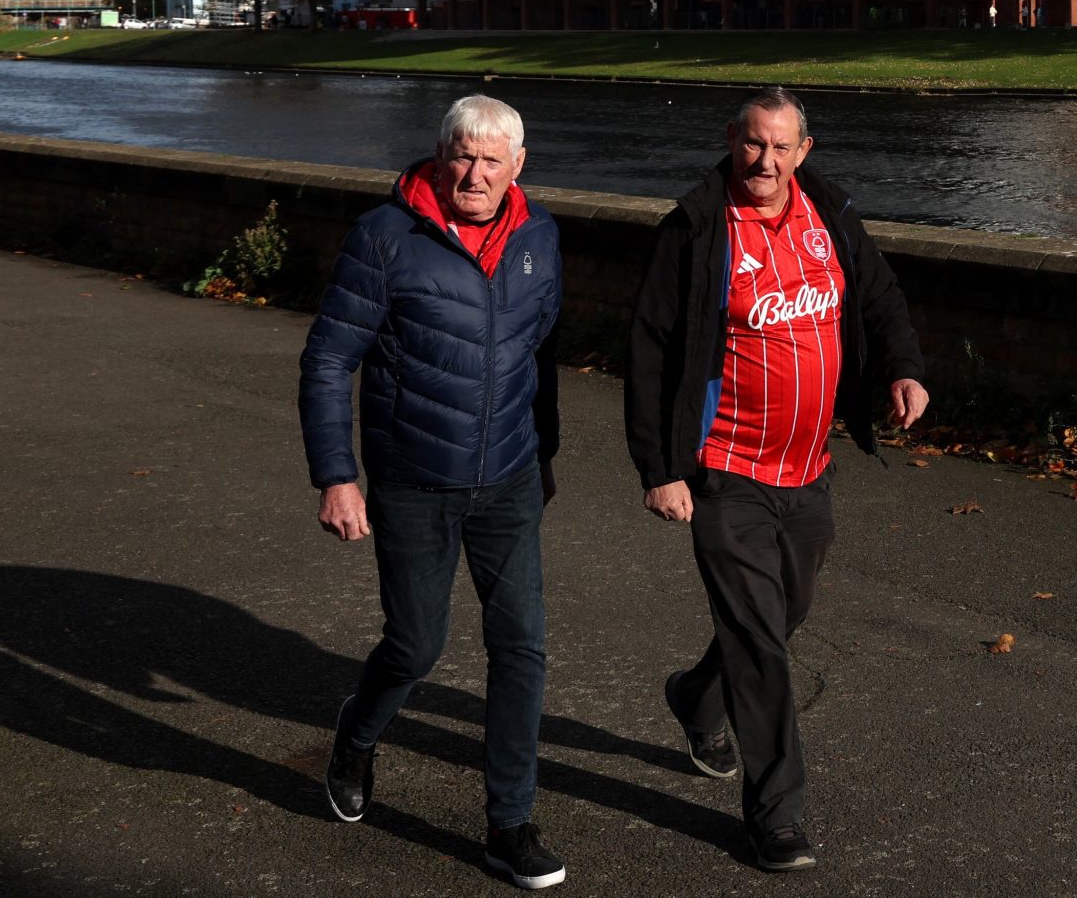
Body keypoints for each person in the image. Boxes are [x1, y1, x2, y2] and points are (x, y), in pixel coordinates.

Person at [625, 88, 927, 875]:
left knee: (784, 614)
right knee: (761, 644)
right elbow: (650, 351)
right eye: (752, 145)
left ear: (805, 149)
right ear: (732, 140)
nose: (764, 161)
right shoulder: (697, 229)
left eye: (780, 147)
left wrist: (903, 369)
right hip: (726, 469)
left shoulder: (828, 213)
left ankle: (697, 697)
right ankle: (776, 814)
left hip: (808, 469)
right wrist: (661, 470)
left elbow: (882, 295)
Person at [299, 94, 567, 891]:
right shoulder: (387, 239)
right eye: (463, 156)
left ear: (518, 165)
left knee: (521, 647)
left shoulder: (539, 236)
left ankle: (509, 824)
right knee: (416, 645)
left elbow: (540, 354)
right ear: (440, 155)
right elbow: (326, 361)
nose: (475, 174)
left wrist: (543, 454)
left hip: (510, 480)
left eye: (492, 160)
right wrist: (336, 476)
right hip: (414, 480)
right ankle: (358, 733)